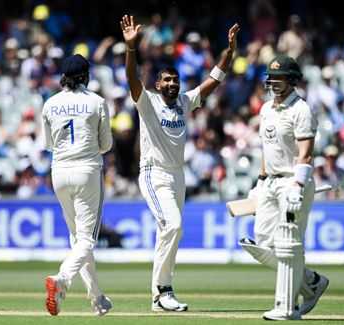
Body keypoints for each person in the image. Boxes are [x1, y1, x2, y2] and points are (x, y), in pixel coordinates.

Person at [120, 14, 239, 312]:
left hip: (177, 177)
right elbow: (132, 78)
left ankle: (157, 297)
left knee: (171, 230)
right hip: (153, 173)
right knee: (173, 226)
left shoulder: (185, 102)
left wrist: (230, 51)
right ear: (158, 84)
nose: (172, 84)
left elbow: (214, 78)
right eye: (167, 80)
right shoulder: (147, 102)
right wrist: (131, 47)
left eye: (175, 80)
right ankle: (164, 290)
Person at [239, 55, 329, 320]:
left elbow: (306, 155)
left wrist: (298, 187)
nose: (274, 82)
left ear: (292, 80)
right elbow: (267, 149)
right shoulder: (266, 109)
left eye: (279, 77)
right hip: (270, 182)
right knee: (263, 243)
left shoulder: (301, 110)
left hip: (293, 180)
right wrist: (260, 182)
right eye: (271, 77)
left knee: (289, 243)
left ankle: (286, 307)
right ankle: (312, 282)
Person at [42, 54, 113, 317]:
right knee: (86, 239)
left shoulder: (50, 103)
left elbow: (48, 144)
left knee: (78, 240)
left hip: (59, 172)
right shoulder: (96, 102)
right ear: (85, 76)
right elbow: (106, 145)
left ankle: (97, 299)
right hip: (87, 171)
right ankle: (62, 278)